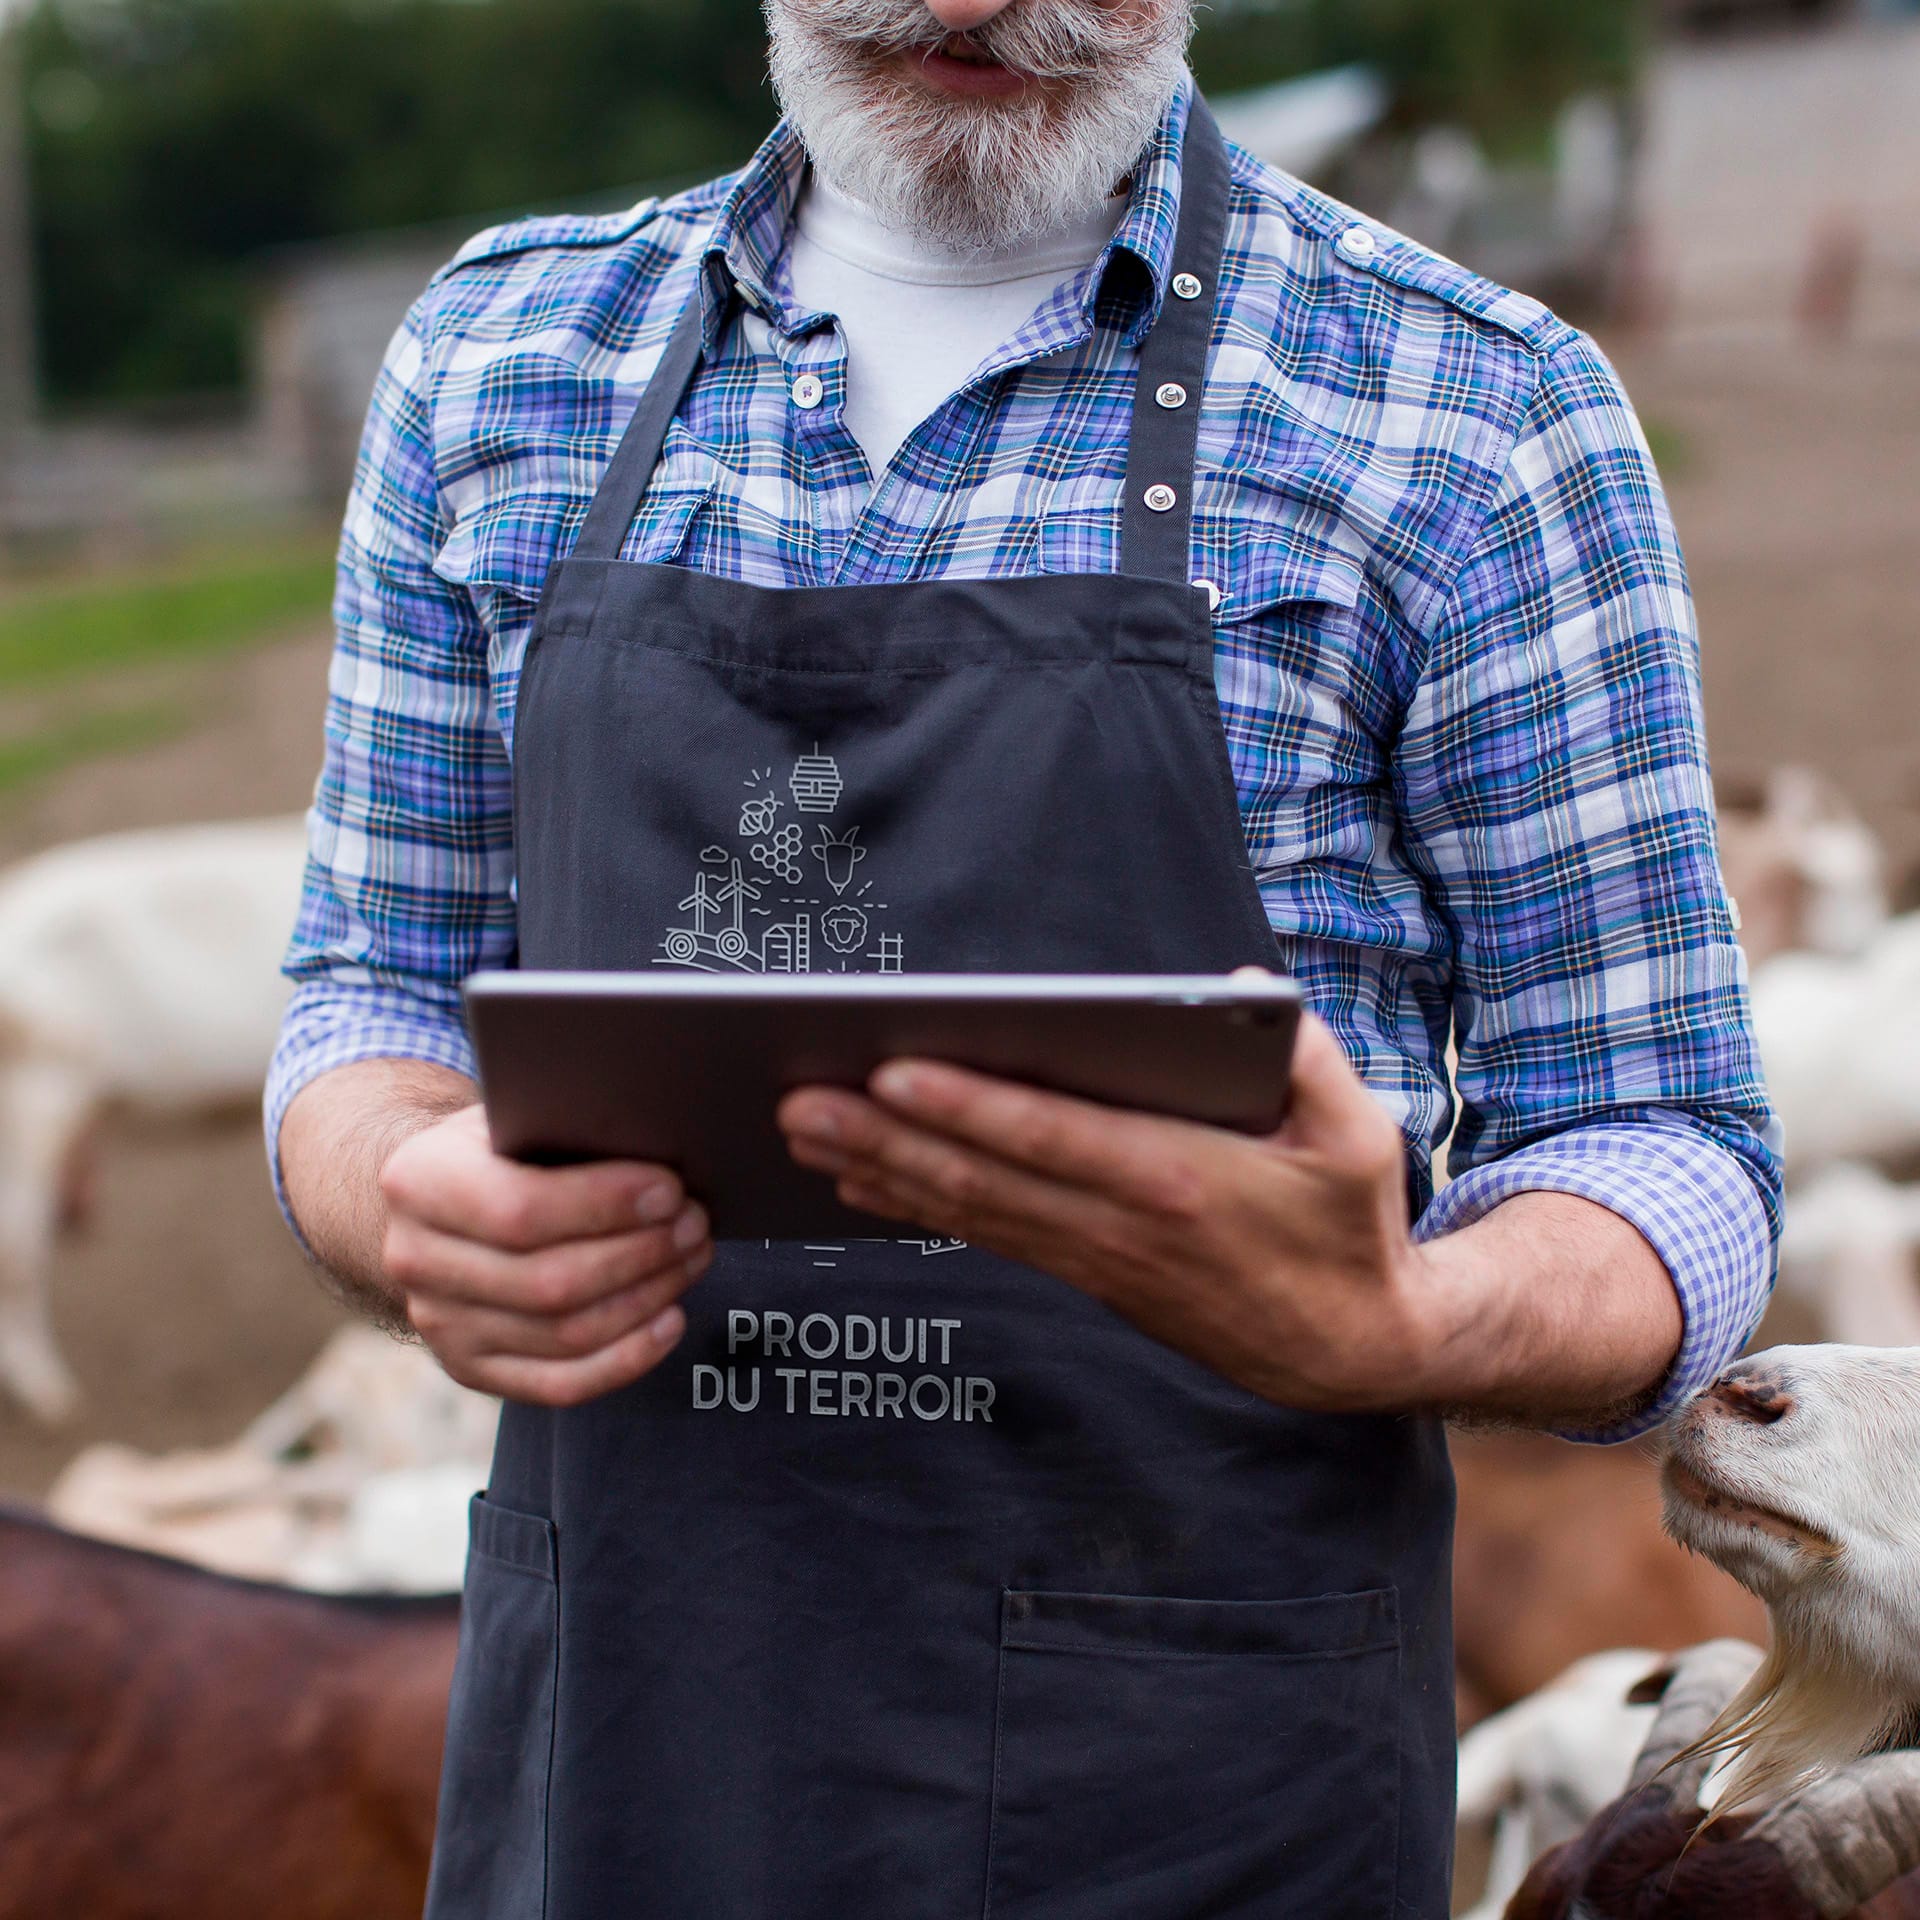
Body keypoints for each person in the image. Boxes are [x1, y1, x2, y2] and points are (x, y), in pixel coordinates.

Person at [267, 0, 1782, 1912]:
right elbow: (371, 997)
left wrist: (1408, 1319)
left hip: (1196, 1790)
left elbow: (1669, 1136)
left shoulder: (1481, 417)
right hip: (624, 1767)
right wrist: (403, 1195)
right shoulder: (499, 365)